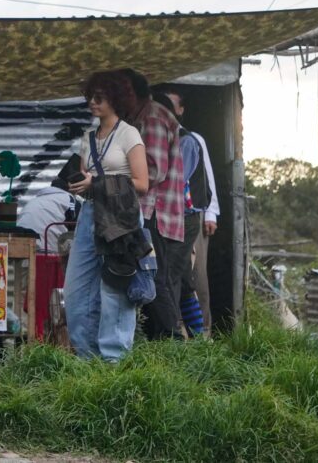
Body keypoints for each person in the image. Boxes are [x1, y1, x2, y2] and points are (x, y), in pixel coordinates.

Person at [63, 70, 149, 361]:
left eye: (99, 97)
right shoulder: (88, 138)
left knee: (115, 287)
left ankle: (114, 362)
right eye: (90, 97)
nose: (92, 102)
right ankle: (87, 359)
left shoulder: (129, 134)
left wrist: (97, 183)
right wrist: (80, 184)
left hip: (121, 218)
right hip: (90, 213)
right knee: (76, 290)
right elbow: (87, 179)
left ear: (115, 98)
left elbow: (142, 183)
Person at [120, 70, 187, 341]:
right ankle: (161, 342)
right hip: (151, 210)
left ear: (130, 93)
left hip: (154, 211)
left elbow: (152, 172)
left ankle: (173, 340)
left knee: (153, 275)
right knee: (150, 276)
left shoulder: (152, 117)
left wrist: (111, 179)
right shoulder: (141, 117)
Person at [163, 88, 220, 335]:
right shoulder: (156, 138)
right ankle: (179, 331)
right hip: (166, 216)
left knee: (196, 276)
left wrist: (211, 212)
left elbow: (206, 177)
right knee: (177, 275)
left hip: (190, 214)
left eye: (171, 105)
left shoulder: (191, 139)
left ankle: (202, 331)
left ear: (181, 110)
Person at [17, 160, 80, 253]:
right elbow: (79, 230)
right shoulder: (70, 200)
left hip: (20, 247)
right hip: (47, 252)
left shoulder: (36, 200)